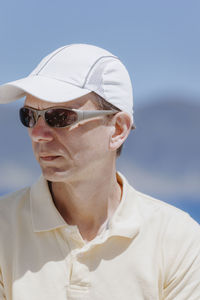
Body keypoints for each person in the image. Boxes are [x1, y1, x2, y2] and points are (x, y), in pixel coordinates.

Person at [0, 44, 199, 300]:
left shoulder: (178, 241)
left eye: (60, 117)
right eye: (29, 116)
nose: (38, 134)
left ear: (117, 129)